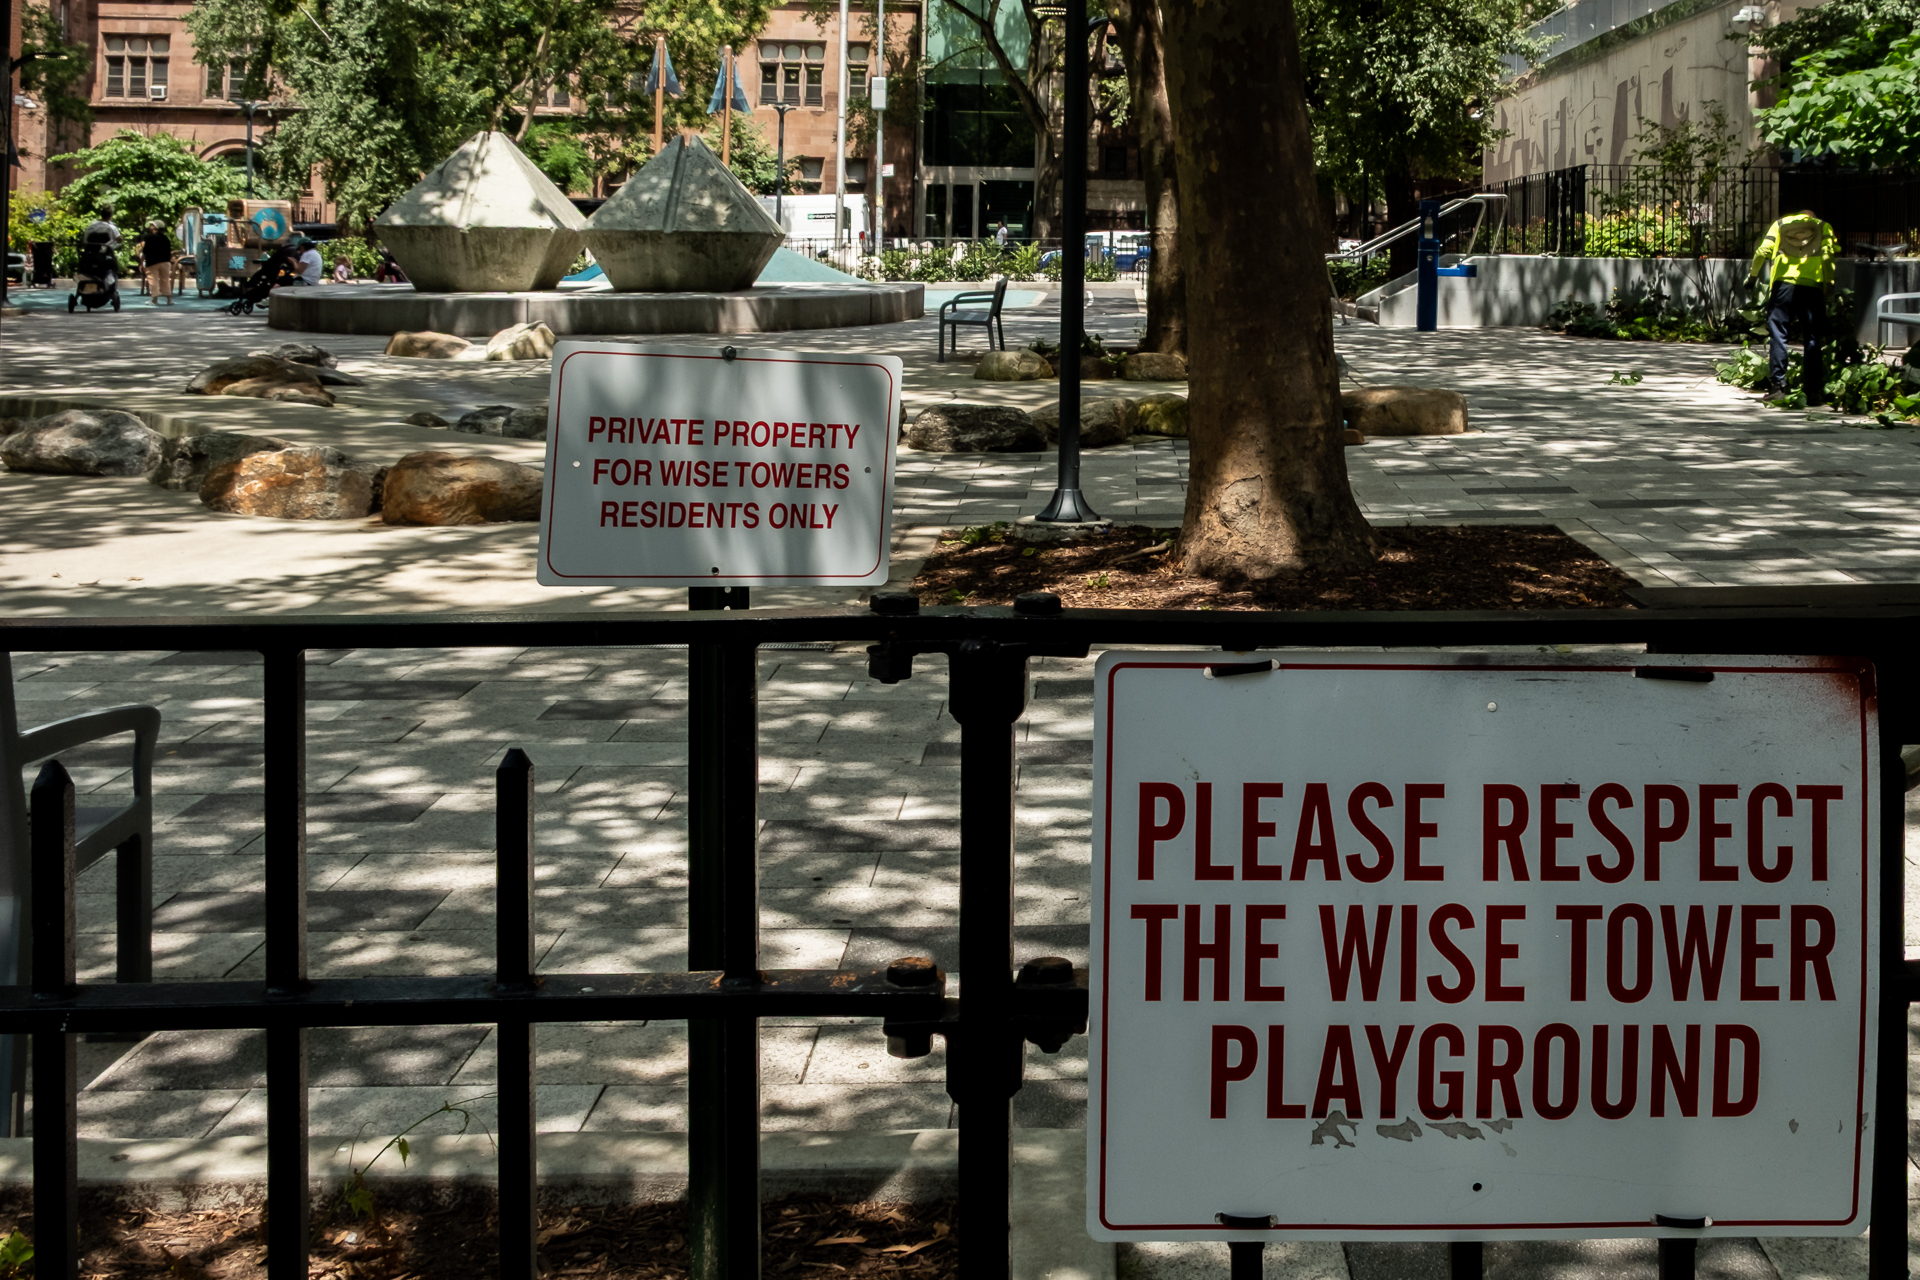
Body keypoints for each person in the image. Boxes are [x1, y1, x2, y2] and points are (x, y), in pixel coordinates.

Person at [1748, 208, 1841, 405]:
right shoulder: (1823, 227)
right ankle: (1814, 391)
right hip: (1812, 288)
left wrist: (1753, 276)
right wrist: (1829, 282)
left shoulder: (1780, 225)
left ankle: (1778, 387)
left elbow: (1762, 251)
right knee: (1812, 337)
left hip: (1783, 287)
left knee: (1779, 334)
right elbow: (1827, 255)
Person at [138, 221, 175, 304]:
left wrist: (141, 262)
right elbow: (169, 251)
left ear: (156, 227)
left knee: (153, 280)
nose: (150, 226)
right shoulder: (166, 238)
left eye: (152, 225)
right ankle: (169, 299)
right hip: (165, 262)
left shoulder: (149, 238)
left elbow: (145, 251)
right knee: (165, 280)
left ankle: (154, 300)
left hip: (152, 262)